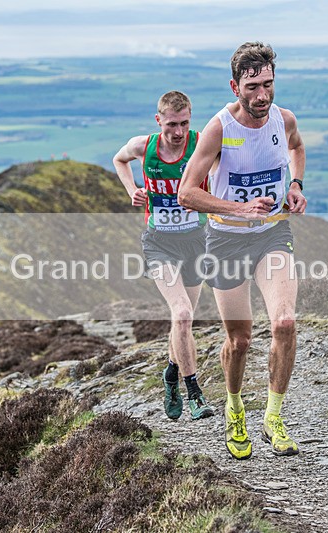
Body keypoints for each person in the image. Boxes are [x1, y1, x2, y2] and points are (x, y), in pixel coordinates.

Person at [178, 42, 307, 459]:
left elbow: (297, 148)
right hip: (227, 239)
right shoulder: (218, 129)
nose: (262, 95)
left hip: (272, 233)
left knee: (285, 324)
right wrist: (240, 208)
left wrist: (295, 186)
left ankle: (273, 416)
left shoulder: (283, 119)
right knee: (240, 340)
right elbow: (187, 194)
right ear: (235, 86)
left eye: (268, 84)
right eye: (252, 87)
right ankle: (235, 409)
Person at [113, 90, 214, 421]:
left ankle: (171, 372)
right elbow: (119, 159)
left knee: (182, 323)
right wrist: (133, 192)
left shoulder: (201, 144)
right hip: (159, 243)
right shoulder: (145, 146)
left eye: (185, 123)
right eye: (172, 124)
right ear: (159, 121)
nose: (179, 132)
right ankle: (194, 393)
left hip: (196, 241)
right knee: (182, 313)